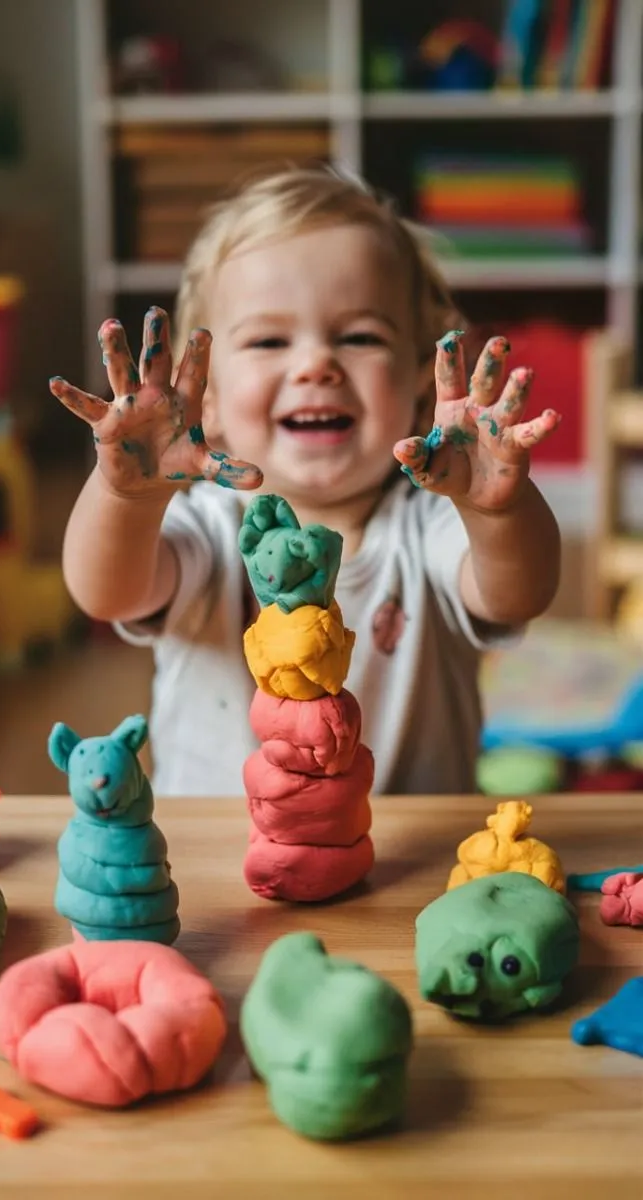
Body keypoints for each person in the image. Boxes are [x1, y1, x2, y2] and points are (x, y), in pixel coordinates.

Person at [50, 166, 561, 796]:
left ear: (420, 383)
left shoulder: (433, 525)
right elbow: (107, 593)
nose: (316, 363)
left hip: (410, 872)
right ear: (201, 394)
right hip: (216, 867)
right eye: (269, 340)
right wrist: (124, 497)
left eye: (358, 337)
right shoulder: (204, 529)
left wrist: (496, 513)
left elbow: (517, 595)